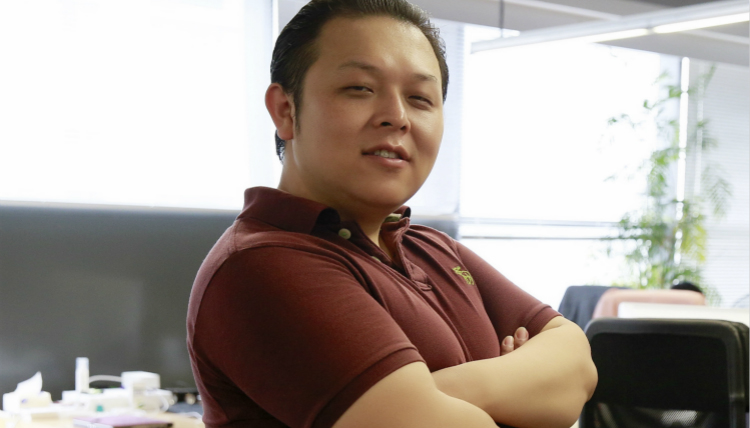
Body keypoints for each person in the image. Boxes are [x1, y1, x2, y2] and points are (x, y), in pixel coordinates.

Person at [186, 1, 597, 427]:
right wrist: (520, 384)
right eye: (360, 88)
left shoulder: (432, 248)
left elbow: (577, 368)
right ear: (286, 110)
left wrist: (434, 392)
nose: (397, 118)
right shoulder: (262, 264)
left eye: (420, 98)